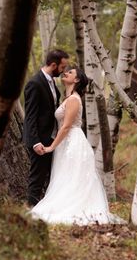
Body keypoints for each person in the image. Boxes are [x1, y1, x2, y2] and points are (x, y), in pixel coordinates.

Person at [29, 68, 124, 225]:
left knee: (71, 177)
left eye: (71, 72)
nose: (66, 72)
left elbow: (66, 126)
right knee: (65, 176)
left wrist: (51, 147)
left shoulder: (74, 99)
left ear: (77, 80)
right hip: (66, 142)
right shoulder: (67, 98)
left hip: (73, 141)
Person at [23, 49, 69, 207]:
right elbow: (30, 116)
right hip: (40, 142)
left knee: (51, 178)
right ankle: (30, 212)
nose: (63, 71)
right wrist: (35, 142)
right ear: (54, 65)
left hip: (50, 139)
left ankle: (46, 210)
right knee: (37, 178)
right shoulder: (35, 83)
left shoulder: (52, 82)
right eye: (62, 67)